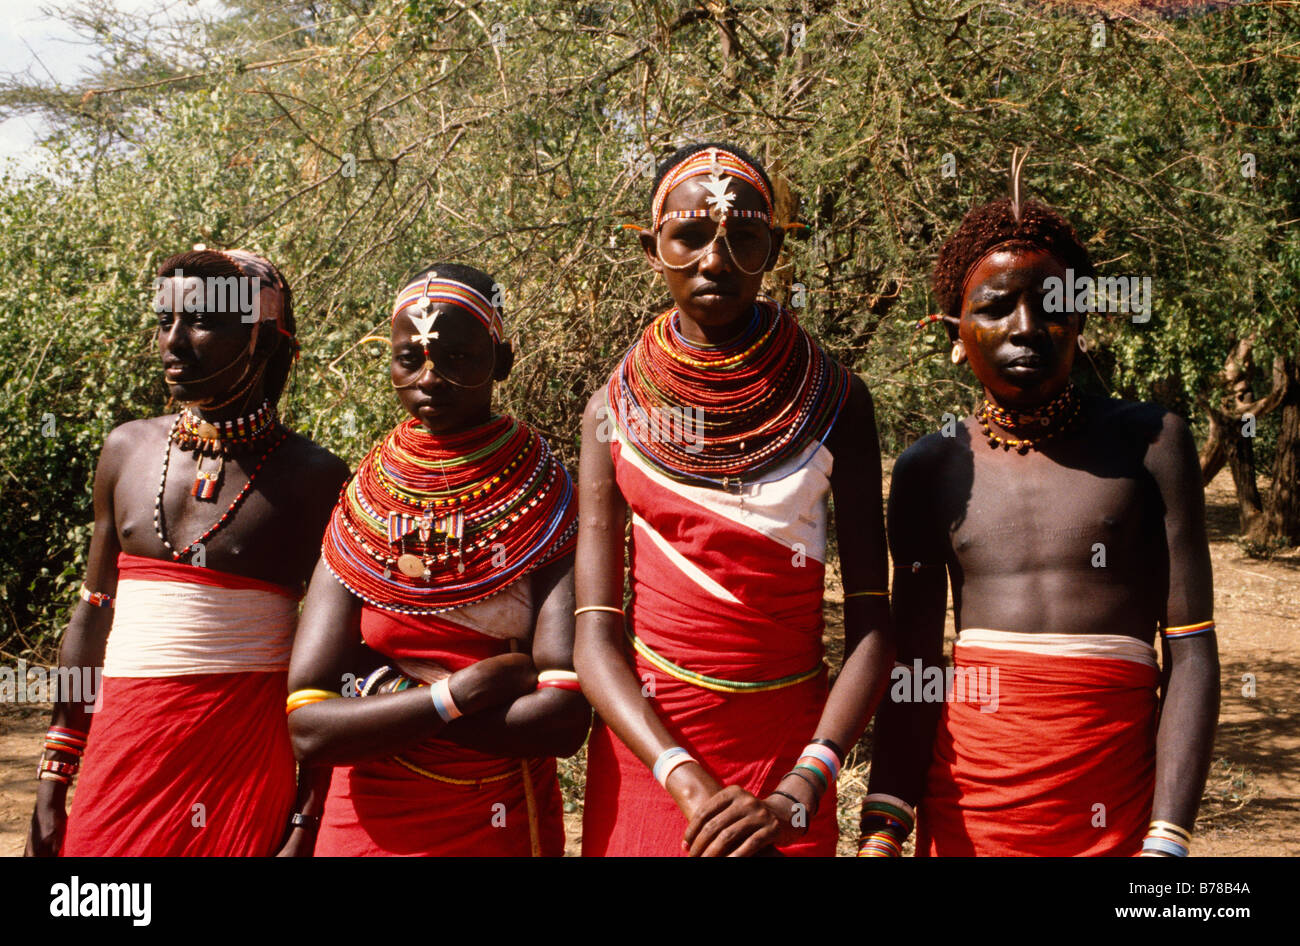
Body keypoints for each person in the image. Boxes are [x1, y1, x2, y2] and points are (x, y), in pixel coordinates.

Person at [860, 194, 1219, 857]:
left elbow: (1192, 652)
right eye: (995, 307)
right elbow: (914, 664)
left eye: (1051, 306)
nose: (1026, 327)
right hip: (970, 806)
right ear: (953, 331)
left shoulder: (1150, 443)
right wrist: (884, 825)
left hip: (1117, 807)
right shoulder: (929, 467)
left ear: (1080, 318)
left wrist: (1167, 839)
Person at [574, 143, 894, 857]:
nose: (714, 261)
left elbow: (874, 627)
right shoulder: (612, 410)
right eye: (688, 236)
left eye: (742, 238)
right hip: (650, 759)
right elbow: (594, 638)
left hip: (787, 765)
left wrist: (803, 786)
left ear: (774, 249)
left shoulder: (836, 399)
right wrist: (683, 778)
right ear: (652, 249)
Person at [26, 248, 349, 857]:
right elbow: (93, 617)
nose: (174, 343)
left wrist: (307, 820)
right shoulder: (126, 450)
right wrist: (52, 783)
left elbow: (335, 663)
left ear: (261, 339)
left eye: (202, 321)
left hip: (243, 764)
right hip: (121, 759)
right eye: (164, 320)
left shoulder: (314, 478)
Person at [285, 264, 588, 857]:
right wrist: (462, 693)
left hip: (498, 817)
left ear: (501, 361)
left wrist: (377, 703)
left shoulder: (548, 497)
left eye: (458, 357)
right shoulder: (364, 502)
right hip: (364, 822)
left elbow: (561, 721)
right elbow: (309, 726)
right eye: (409, 357)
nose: (429, 378)